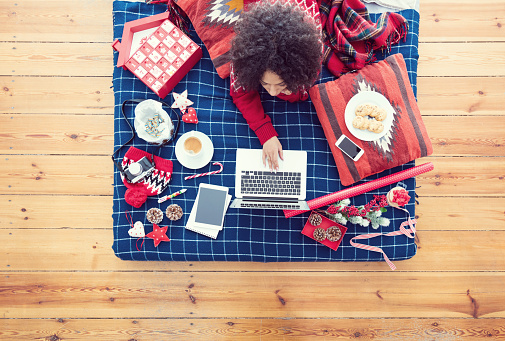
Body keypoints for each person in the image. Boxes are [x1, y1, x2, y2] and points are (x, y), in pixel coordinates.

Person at [230, 0, 322, 170]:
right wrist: (265, 134)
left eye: (279, 84)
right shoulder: (245, 52)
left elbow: (305, 86)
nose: (272, 93)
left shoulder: (313, 43)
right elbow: (239, 91)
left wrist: (292, 92)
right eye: (264, 83)